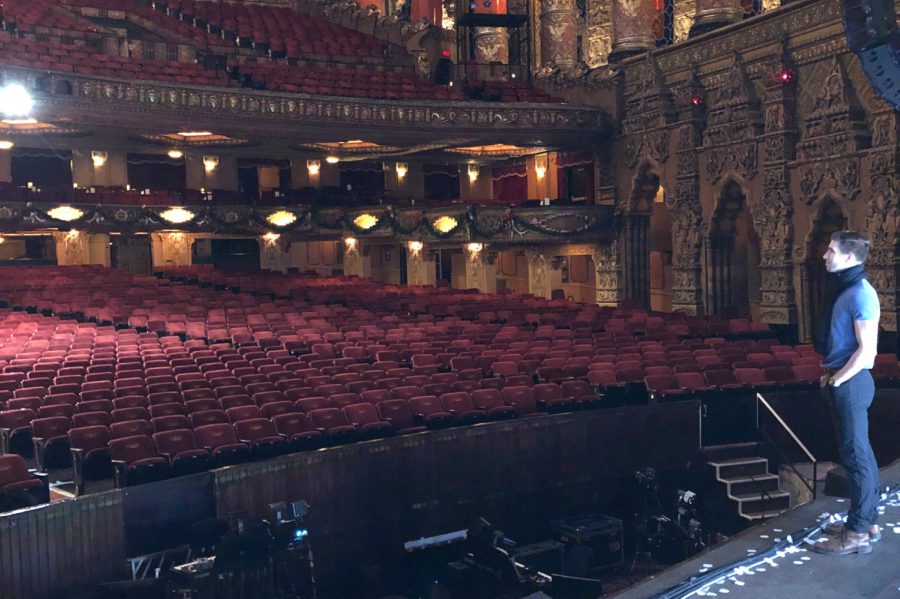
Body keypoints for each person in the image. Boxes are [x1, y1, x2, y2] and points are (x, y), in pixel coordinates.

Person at [811, 231, 881, 555]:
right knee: (856, 458)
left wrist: (837, 380)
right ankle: (867, 522)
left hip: (851, 383)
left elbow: (867, 354)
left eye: (831, 250)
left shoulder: (861, 294)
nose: (825, 255)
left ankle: (857, 534)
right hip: (842, 380)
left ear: (849, 258)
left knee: (857, 458)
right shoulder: (845, 288)